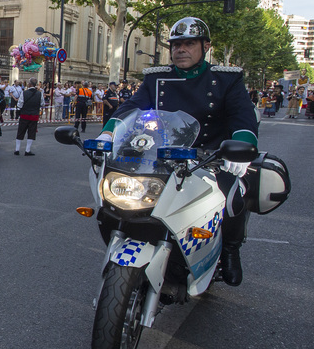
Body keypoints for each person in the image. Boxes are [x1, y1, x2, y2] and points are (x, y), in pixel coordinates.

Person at [99, 16, 258, 286]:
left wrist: (239, 150)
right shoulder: (157, 78)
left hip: (210, 158)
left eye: (188, 44)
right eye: (175, 45)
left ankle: (230, 250)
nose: (180, 50)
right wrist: (109, 132)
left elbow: (242, 117)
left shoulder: (225, 79)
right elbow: (132, 107)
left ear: (205, 46)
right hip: (161, 155)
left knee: (234, 198)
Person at [14, 78, 42, 156]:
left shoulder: (24, 93)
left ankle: (17, 149)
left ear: (29, 84)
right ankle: (27, 150)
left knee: (20, 131)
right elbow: (42, 103)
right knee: (31, 132)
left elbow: (20, 104)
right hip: (34, 115)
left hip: (24, 115)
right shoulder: (39, 94)